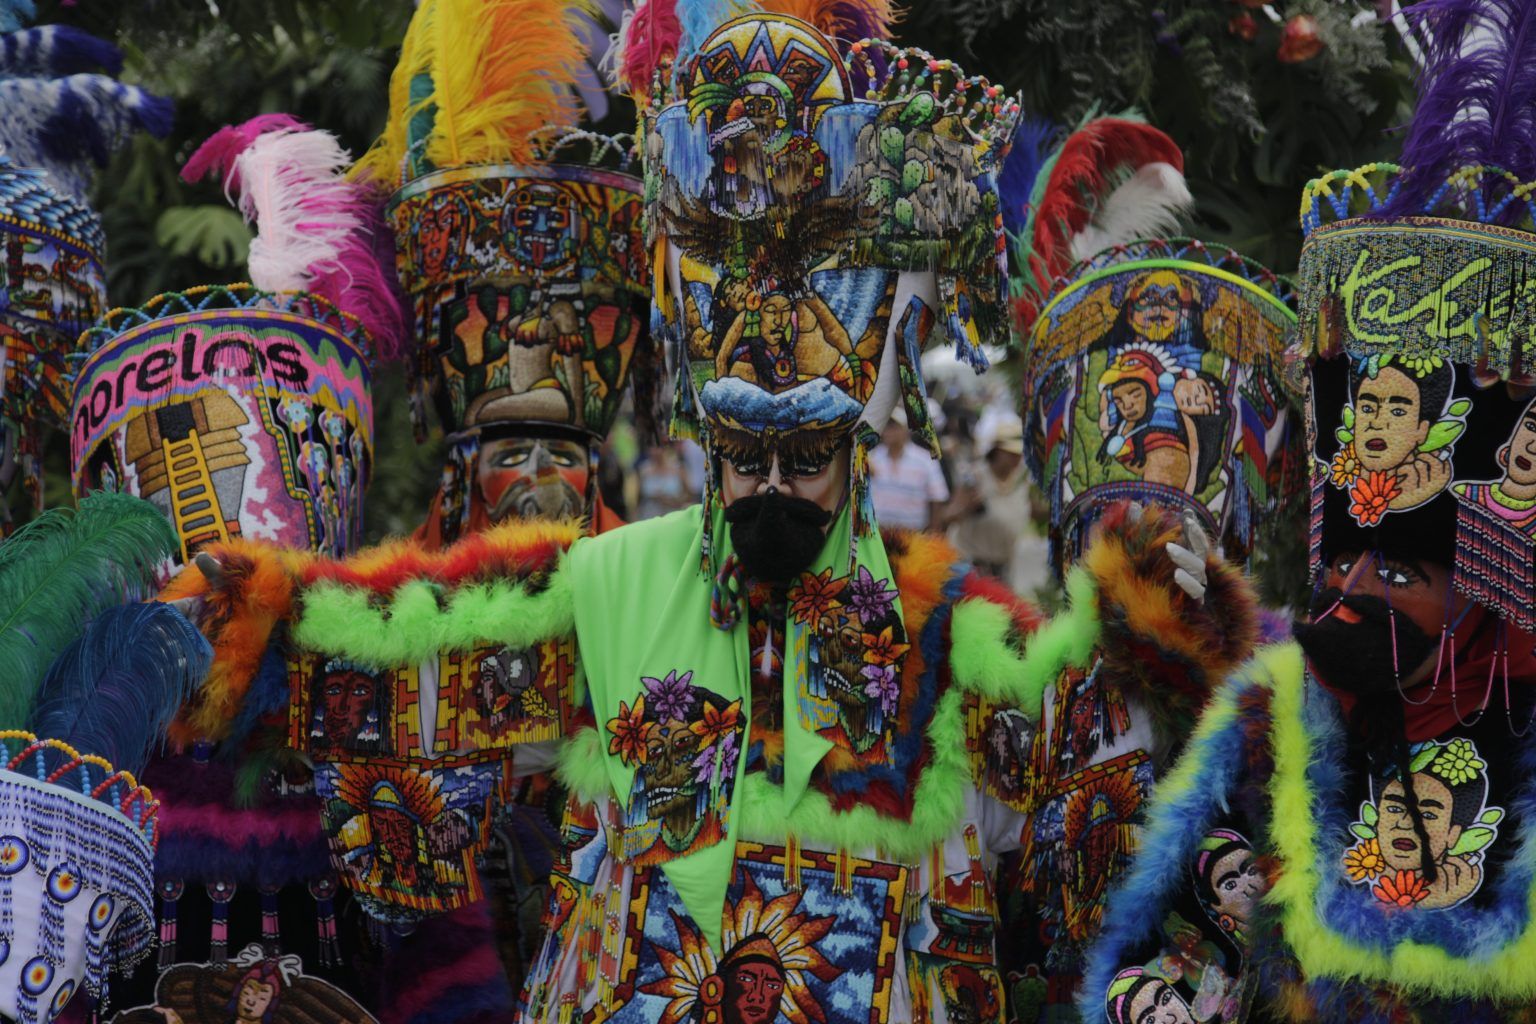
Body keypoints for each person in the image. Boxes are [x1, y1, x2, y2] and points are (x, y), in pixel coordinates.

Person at [171, 13, 1247, 1024]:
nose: (770, 482)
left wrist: (1167, 637)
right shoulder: (606, 587)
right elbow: (392, 653)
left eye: (805, 455)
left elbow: (1107, 781)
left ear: (856, 448)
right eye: (744, 454)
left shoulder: (954, 633)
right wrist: (252, 619)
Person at [1082, 5, 1536, 1017]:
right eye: (1344, 567)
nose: (1354, 593)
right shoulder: (1273, 724)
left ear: (1488, 587)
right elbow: (1168, 946)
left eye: (1402, 572)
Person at [70, 117, 398, 1017]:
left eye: (246, 600)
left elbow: (436, 968)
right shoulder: (93, 761)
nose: (224, 623)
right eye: (200, 599)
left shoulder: (372, 746)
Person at [991, 114, 1295, 1021]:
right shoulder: (1027, 674)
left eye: (1171, 534)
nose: (1141, 559)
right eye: (1114, 536)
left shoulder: (1281, 678)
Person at [948, 413, 1033, 580]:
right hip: (972, 564)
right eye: (1011, 453)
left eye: (1019, 454)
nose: (1017, 459)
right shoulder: (974, 477)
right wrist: (967, 508)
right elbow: (948, 516)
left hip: (1003, 564)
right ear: (997, 451)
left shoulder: (1022, 480)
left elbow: (1030, 509)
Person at [871, 408, 951, 531]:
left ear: (906, 430)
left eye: (894, 426)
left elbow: (937, 497)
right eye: (886, 426)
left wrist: (934, 531)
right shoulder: (872, 457)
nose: (888, 431)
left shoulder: (924, 460)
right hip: (876, 533)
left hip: (912, 534)